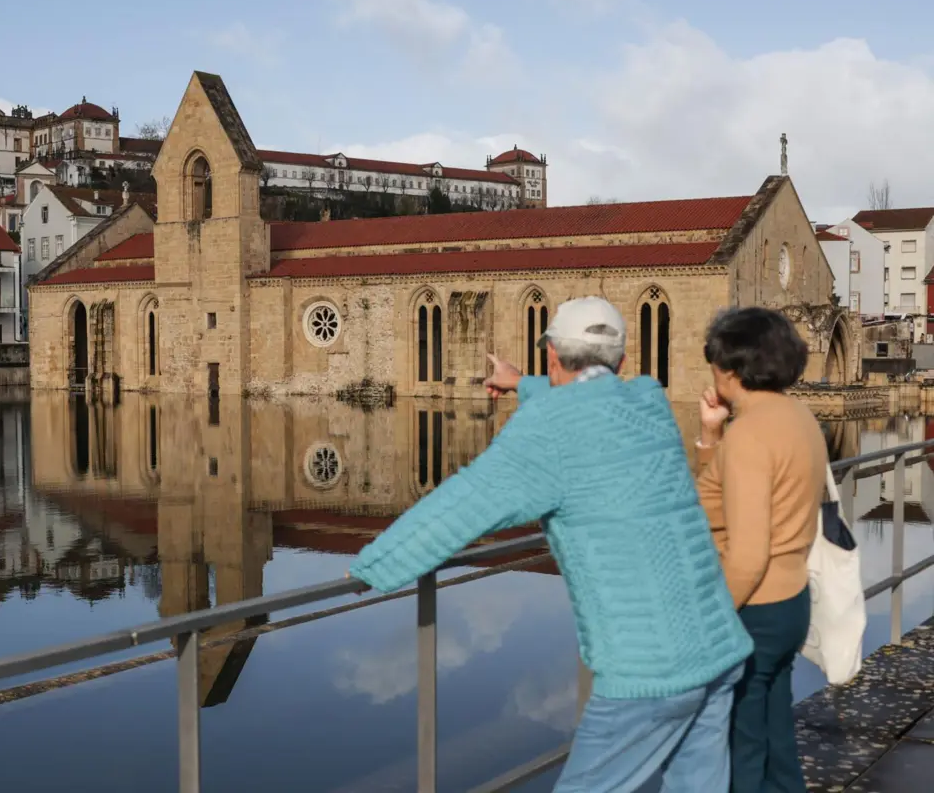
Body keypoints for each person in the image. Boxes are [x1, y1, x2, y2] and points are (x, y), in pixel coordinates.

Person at [347, 296, 752, 792]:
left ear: (552, 356)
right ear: (623, 361)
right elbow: (593, 398)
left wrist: (373, 566)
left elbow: (463, 504)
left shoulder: (549, 429)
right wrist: (520, 383)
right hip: (717, 645)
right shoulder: (648, 401)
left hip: (649, 668)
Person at [695, 307, 823, 793]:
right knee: (775, 739)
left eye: (713, 361)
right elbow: (726, 496)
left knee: (741, 750)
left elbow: (747, 555)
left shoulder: (749, 436)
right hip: (791, 602)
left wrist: (711, 618)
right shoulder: (796, 415)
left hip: (754, 610)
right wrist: (712, 435)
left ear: (730, 368)